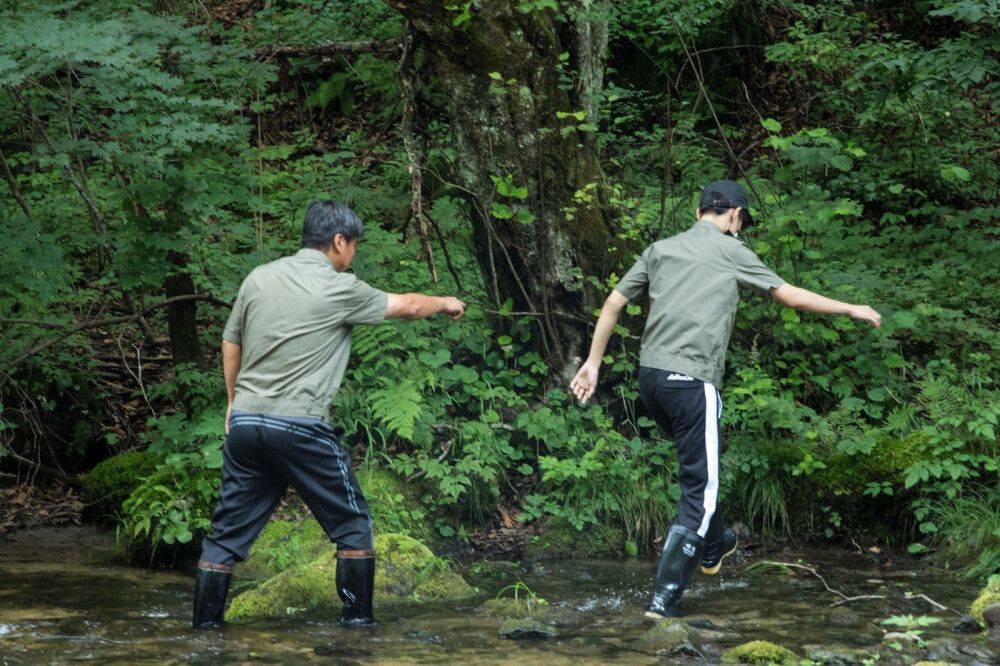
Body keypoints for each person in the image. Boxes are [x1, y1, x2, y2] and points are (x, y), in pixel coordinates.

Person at [569, 179, 881, 619]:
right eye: (743, 220)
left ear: (700, 212)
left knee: (699, 472)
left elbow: (613, 304)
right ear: (734, 215)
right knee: (701, 490)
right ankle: (662, 605)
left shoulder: (659, 249)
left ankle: (714, 547)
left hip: (652, 382)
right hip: (692, 382)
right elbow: (791, 298)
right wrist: (850, 308)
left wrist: (593, 364)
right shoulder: (732, 251)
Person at [193, 199, 466, 629]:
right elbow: (410, 306)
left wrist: (233, 403)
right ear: (338, 241)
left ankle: (203, 633)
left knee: (224, 537)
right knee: (353, 526)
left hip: (246, 425)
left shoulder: (258, 278)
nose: (353, 253)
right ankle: (356, 632)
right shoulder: (340, 286)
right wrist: (447, 300)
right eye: (353, 244)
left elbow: (230, 346)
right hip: (300, 427)